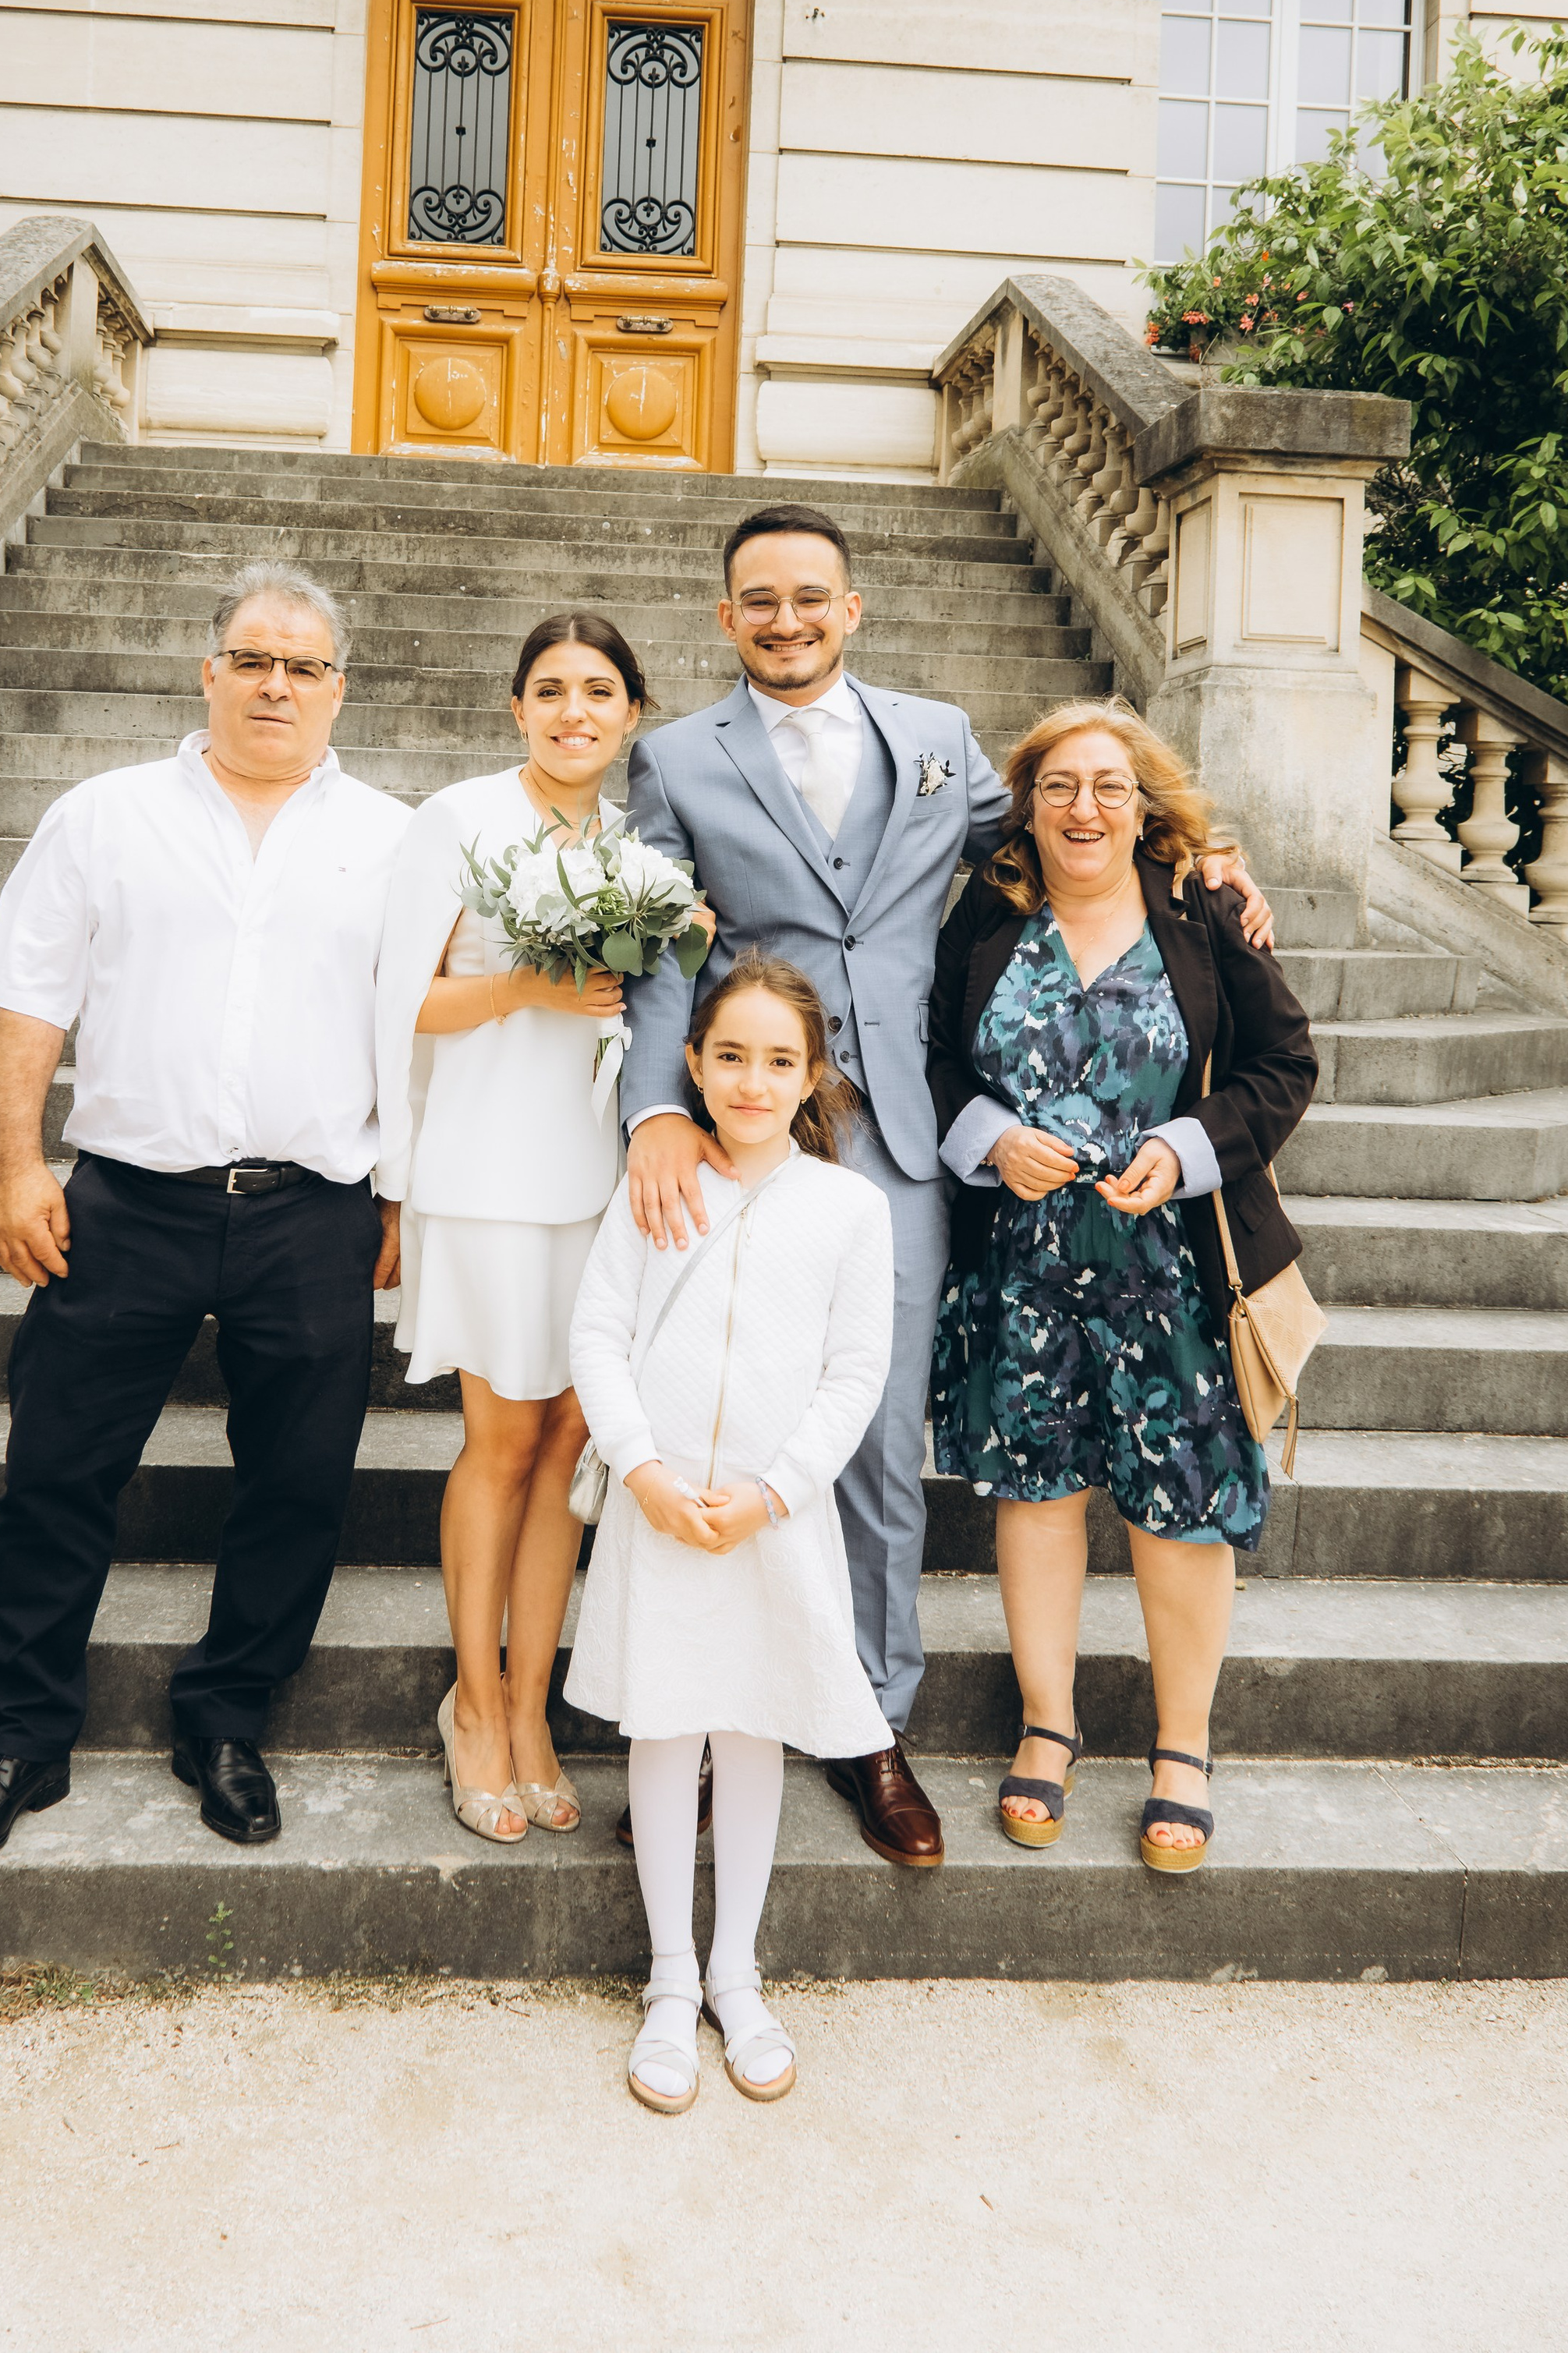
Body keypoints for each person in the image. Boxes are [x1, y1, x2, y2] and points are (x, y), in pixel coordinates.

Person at [618, 504, 1274, 1871]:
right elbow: (665, 947)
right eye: (759, 600)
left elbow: (1065, 828)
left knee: (877, 1431)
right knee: (711, 1410)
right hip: (751, 1120)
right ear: (726, 617)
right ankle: (704, 1715)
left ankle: (870, 1718)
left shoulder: (934, 740)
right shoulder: (675, 759)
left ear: (852, 609)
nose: (787, 620)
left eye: (811, 596)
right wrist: (660, 1113)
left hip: (908, 1143)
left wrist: (1201, 854)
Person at [0, 562, 409, 1871]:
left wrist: (403, 1192)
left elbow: (416, 1032)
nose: (276, 685)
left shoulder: (395, 840)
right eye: (254, 659)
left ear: (339, 688)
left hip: (313, 1211)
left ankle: (227, 1719)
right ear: (210, 671)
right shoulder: (104, 816)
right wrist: (15, 1167)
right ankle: (22, 1736)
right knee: (57, 1471)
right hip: (125, 1204)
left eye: (304, 666)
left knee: (298, 1483)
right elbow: (31, 1002)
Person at [926, 697, 1316, 1872]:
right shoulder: (990, 911)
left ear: (1143, 805)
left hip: (1176, 1270)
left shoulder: (1203, 909)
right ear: (1027, 806)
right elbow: (934, 1055)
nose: (1083, 807)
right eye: (1059, 786)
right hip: (1025, 1269)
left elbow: (1284, 1063)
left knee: (1182, 1506)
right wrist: (993, 1138)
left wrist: (1188, 1149)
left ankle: (1182, 1749)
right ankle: (1046, 1727)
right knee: (1036, 1494)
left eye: (1108, 785)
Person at [566, 955, 894, 2112]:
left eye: (779, 1061)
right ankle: (668, 1979)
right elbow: (599, 1335)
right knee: (664, 1731)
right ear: (694, 1066)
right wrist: (642, 1471)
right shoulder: (656, 1187)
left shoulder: (850, 1210)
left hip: (772, 1523)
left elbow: (855, 1374)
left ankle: (735, 1975)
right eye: (732, 1057)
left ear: (812, 1077)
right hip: (661, 1513)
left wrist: (775, 1493)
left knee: (754, 1732)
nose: (754, 1082)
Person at [376, 613, 647, 1842]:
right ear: (517, 707)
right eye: (550, 690)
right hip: (484, 1170)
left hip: (604, 1180)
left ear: (631, 712)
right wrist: (521, 987)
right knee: (501, 1441)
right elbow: (400, 1004)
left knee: (571, 1440)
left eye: (598, 691)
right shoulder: (460, 819)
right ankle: (474, 1707)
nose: (573, 711)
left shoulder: (639, 844)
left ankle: (534, 1708)